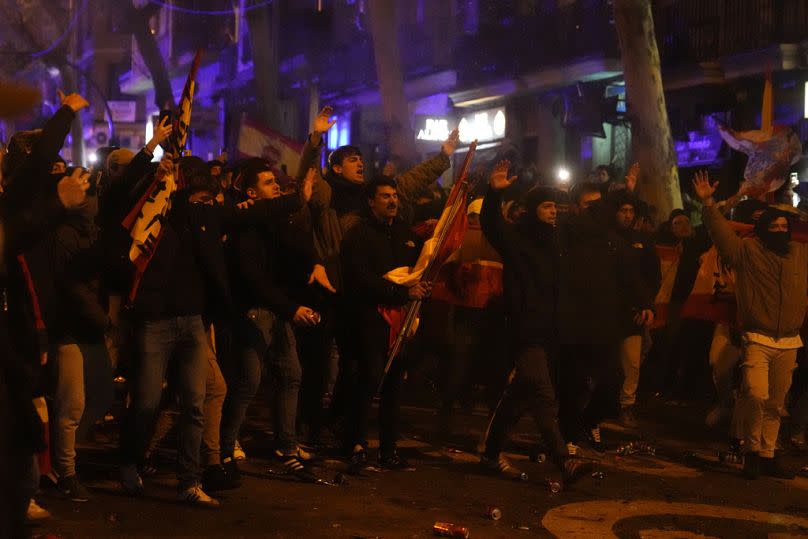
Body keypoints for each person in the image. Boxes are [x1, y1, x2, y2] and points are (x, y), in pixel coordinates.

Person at [119, 156, 302, 506]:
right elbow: (126, 199)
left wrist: (297, 196)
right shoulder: (155, 219)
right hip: (155, 322)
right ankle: (130, 462)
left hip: (192, 321)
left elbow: (254, 213)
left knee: (195, 403)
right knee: (145, 402)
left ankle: (190, 480)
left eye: (209, 200)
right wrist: (152, 167)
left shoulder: (207, 217)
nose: (206, 206)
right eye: (200, 198)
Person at [479, 161, 592, 483]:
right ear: (532, 210)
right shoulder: (517, 240)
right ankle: (563, 460)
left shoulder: (555, 244)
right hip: (523, 331)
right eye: (546, 206)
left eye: (556, 206)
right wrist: (493, 193)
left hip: (549, 333)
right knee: (542, 393)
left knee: (518, 397)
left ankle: (489, 454)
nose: (553, 212)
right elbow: (491, 226)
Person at [694, 170, 807, 479]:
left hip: (789, 340)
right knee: (756, 394)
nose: (781, 230)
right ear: (762, 230)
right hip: (757, 337)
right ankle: (751, 450)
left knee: (776, 402)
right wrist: (708, 203)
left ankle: (768, 455)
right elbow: (721, 233)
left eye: (785, 226)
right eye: (775, 227)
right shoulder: (746, 252)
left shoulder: (799, 254)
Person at [222, 158, 329, 478]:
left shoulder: (278, 221)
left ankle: (287, 445)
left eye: (276, 181)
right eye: (269, 183)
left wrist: (315, 264)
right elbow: (253, 279)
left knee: (292, 374)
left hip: (279, 310)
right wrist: (291, 308)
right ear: (252, 193)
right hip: (254, 311)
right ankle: (224, 447)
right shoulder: (244, 223)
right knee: (248, 382)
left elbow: (297, 248)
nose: (277, 186)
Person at [340, 176, 431, 472]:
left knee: (394, 386)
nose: (392, 201)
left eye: (394, 195)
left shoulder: (405, 233)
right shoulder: (360, 235)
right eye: (385, 196)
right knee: (368, 381)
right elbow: (360, 278)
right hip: (370, 318)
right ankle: (355, 444)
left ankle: (389, 450)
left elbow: (416, 269)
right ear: (371, 201)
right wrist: (399, 292)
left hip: (400, 320)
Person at [557, 182, 654, 451]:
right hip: (572, 324)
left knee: (611, 386)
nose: (596, 212)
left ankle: (586, 423)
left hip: (604, 326)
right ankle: (567, 442)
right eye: (590, 206)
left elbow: (632, 278)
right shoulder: (564, 235)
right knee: (572, 387)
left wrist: (645, 304)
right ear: (577, 207)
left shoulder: (612, 242)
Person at [608, 192, 661, 427]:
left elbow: (651, 277)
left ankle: (626, 405)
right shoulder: (604, 238)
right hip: (607, 310)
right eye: (623, 211)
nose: (627, 216)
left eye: (631, 211)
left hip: (633, 313)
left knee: (632, 362)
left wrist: (645, 305)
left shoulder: (643, 241)